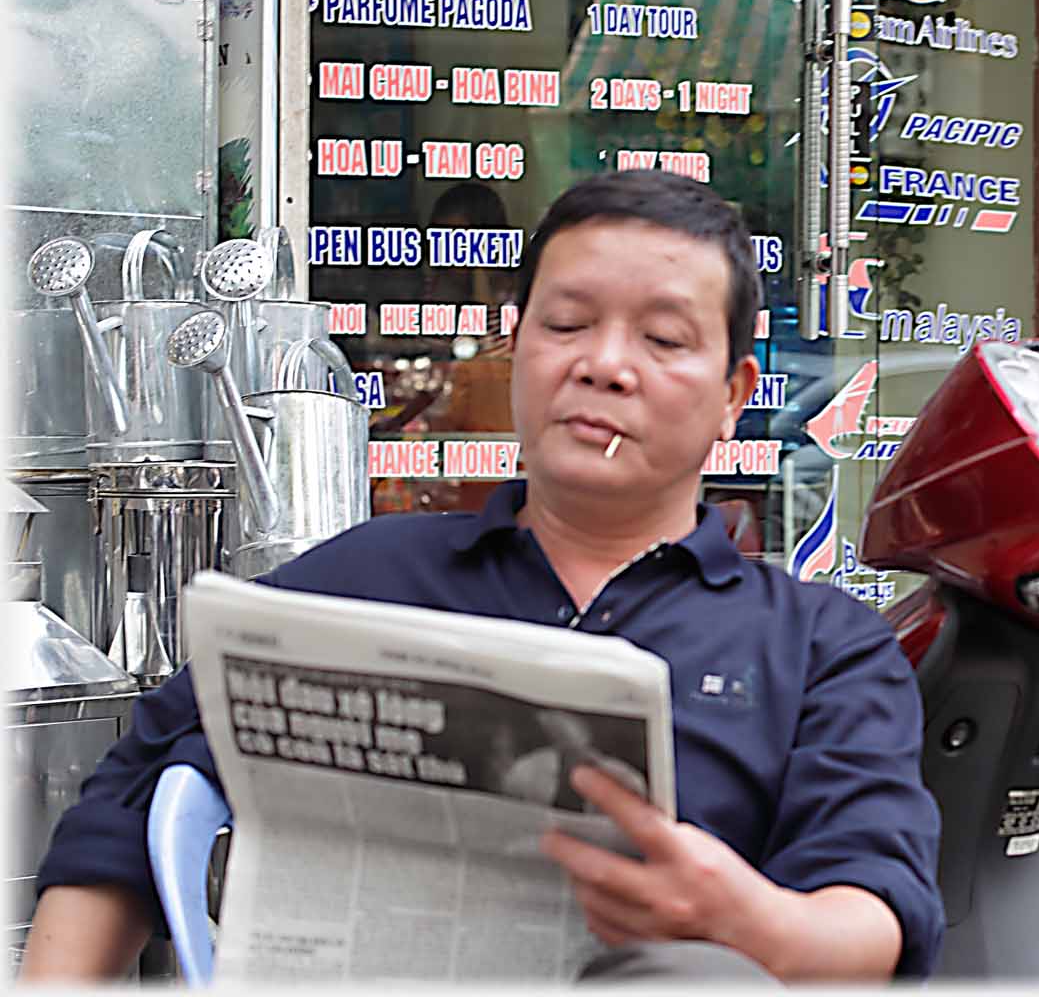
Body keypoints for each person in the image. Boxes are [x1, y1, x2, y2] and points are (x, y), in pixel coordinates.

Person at [22, 171, 942, 984]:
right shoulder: (362, 578)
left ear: (734, 394)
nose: (604, 365)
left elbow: (876, 916)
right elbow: (132, 795)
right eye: (568, 324)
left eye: (663, 340)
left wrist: (745, 918)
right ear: (517, 349)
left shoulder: (821, 646)